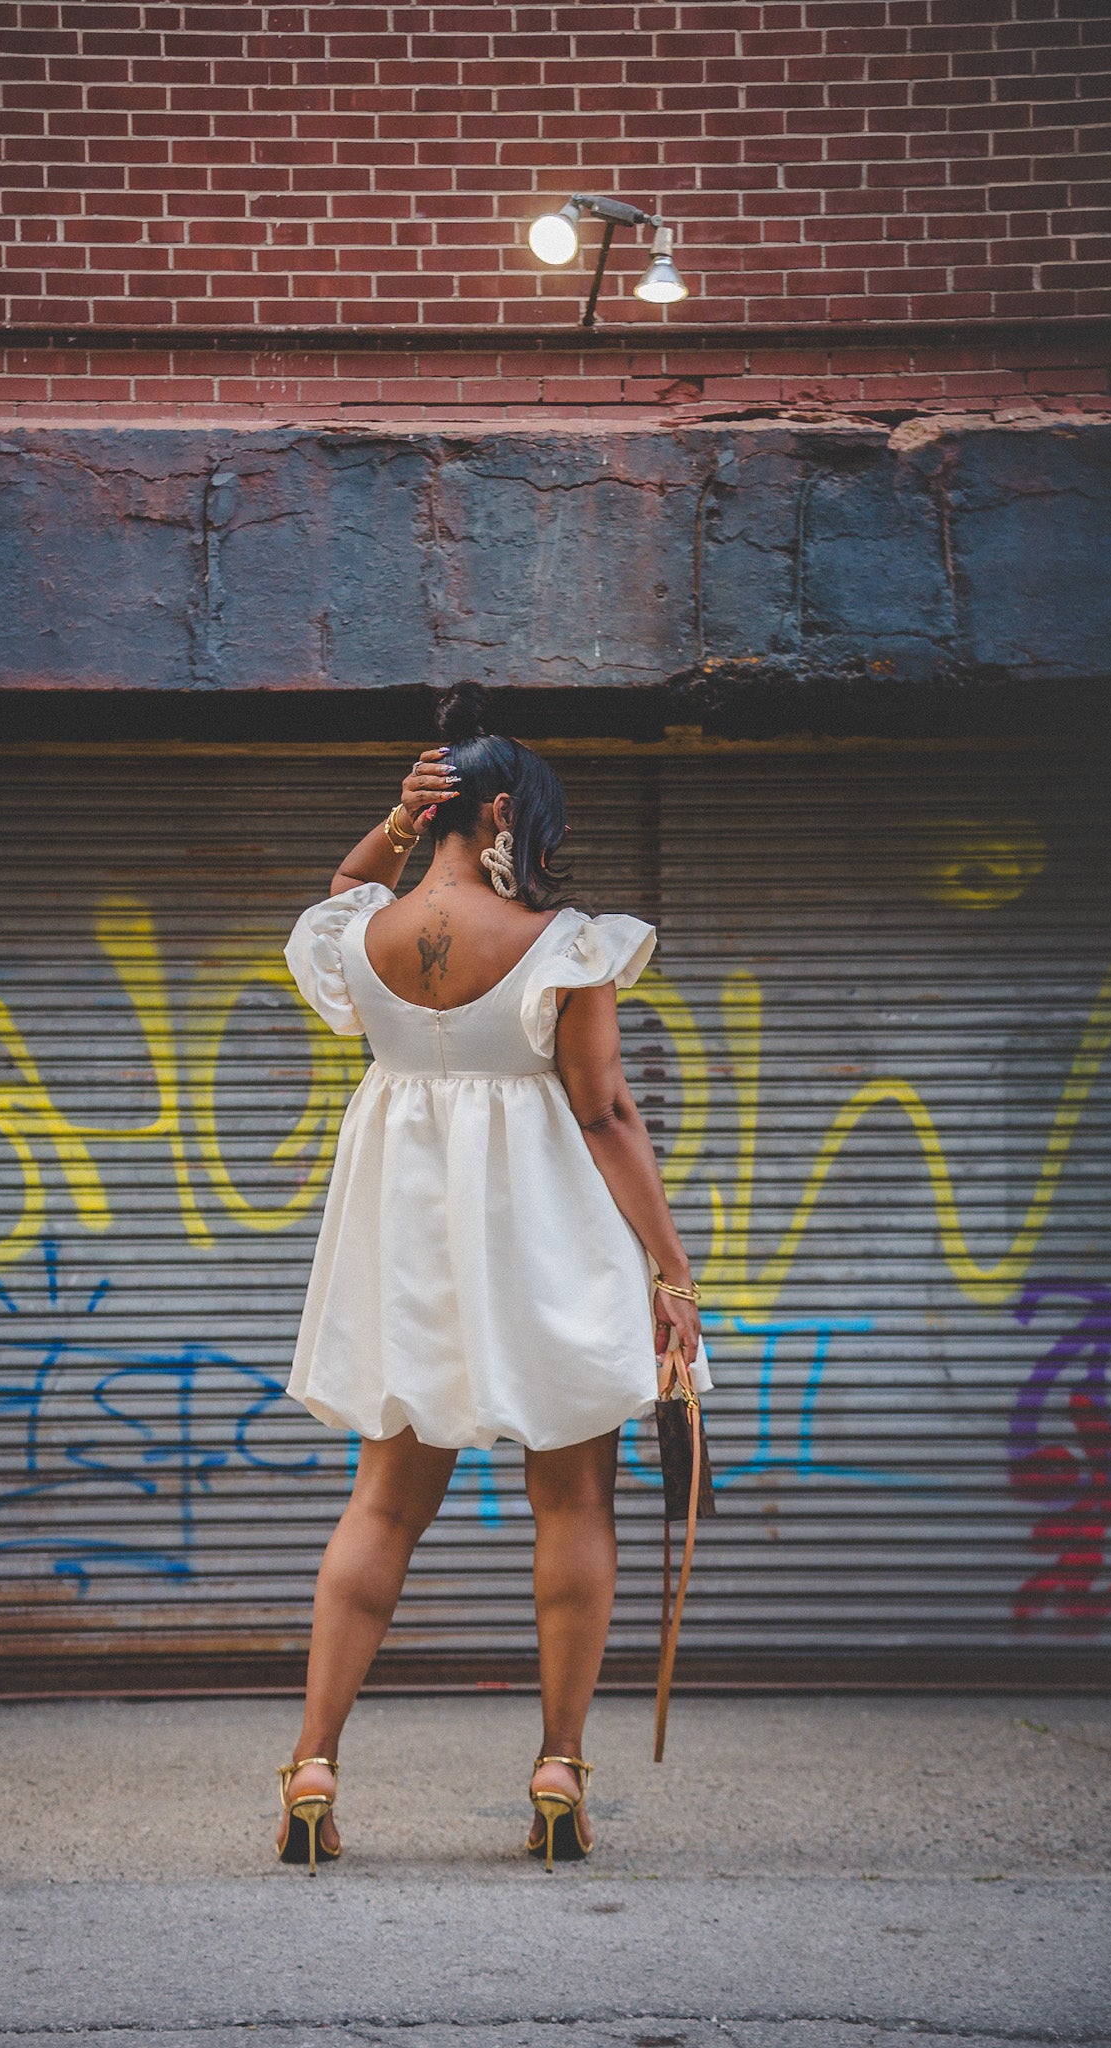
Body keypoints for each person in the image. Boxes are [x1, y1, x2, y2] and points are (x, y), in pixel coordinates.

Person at [276, 682, 709, 1873]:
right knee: (571, 1503)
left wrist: (392, 823)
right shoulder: (562, 947)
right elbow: (606, 1111)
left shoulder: (361, 936)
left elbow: (338, 887)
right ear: (508, 811)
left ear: (436, 808)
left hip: (402, 1240)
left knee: (381, 1503)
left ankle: (312, 1762)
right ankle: (559, 1766)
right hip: (541, 1240)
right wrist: (673, 1273)